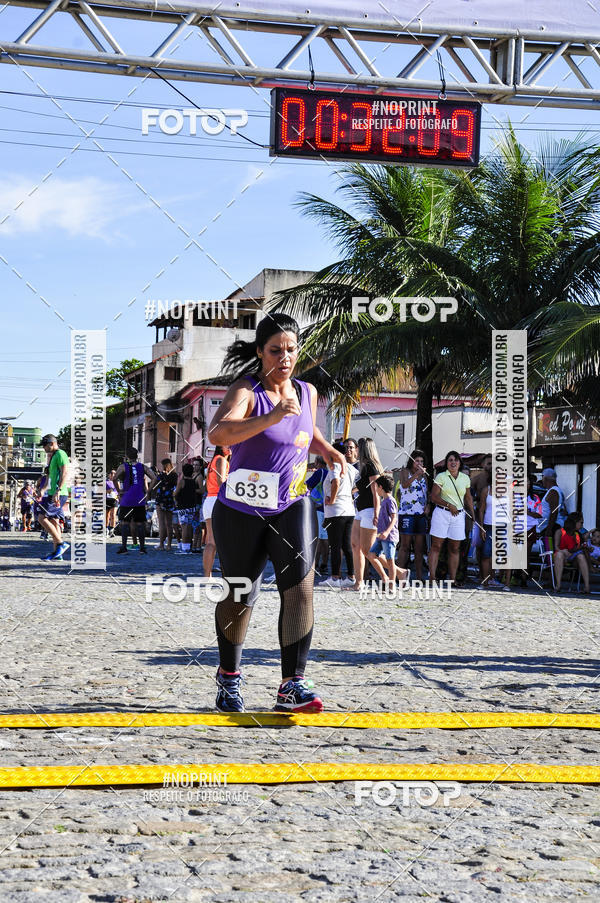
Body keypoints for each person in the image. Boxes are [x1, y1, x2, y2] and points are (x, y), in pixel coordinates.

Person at [208, 312, 345, 713]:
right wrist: (269, 416)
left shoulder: (307, 392)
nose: (284, 357)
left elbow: (304, 431)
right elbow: (218, 434)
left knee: (301, 588)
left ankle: (293, 683)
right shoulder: (247, 391)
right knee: (241, 594)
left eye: (290, 349)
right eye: (275, 350)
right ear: (259, 352)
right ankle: (229, 678)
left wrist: (329, 450)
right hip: (240, 509)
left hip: (291, 503)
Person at [428, 451, 475, 585]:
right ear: (446, 463)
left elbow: (468, 498)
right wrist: (449, 505)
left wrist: (472, 514)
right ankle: (432, 577)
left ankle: (453, 579)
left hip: (459, 516)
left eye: (455, 460)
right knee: (436, 546)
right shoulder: (441, 476)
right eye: (450, 460)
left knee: (455, 548)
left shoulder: (465, 479)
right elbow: (434, 496)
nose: (453, 462)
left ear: (460, 463)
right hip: (442, 514)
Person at [322, 442, 357, 588]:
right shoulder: (350, 468)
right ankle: (351, 576)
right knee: (347, 545)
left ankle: (335, 577)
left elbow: (335, 482)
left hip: (336, 511)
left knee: (335, 545)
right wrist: (347, 494)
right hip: (349, 510)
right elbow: (357, 486)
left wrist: (333, 498)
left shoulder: (335, 466)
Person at [351, 437, 383, 589]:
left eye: (357, 447)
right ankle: (359, 582)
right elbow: (361, 487)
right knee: (355, 545)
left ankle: (398, 573)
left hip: (370, 510)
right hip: (360, 510)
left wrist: (377, 513)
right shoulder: (363, 467)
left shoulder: (371, 467)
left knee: (368, 550)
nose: (355, 450)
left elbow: (376, 493)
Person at [367, 474, 408, 588]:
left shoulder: (390, 500)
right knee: (371, 555)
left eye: (376, 487)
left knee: (390, 561)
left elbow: (394, 517)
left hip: (389, 537)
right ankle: (393, 576)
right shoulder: (384, 501)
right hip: (381, 536)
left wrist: (386, 532)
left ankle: (392, 586)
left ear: (380, 487)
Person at [395, 449, 429, 581]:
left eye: (422, 461)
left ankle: (419, 577)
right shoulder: (405, 471)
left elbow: (426, 493)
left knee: (419, 548)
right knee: (405, 546)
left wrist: (428, 505)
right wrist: (416, 474)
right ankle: (398, 575)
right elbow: (404, 485)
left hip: (420, 515)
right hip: (407, 514)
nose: (419, 463)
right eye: (417, 461)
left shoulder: (424, 476)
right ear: (412, 461)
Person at [114, 447, 155, 554]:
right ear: (137, 456)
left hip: (127, 498)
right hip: (139, 498)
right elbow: (154, 478)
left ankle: (124, 547)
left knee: (125, 523)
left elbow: (114, 478)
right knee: (140, 523)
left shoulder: (123, 466)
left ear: (127, 456)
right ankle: (142, 548)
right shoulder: (143, 467)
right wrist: (148, 491)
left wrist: (119, 491)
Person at [37, 434, 71, 561]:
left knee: (41, 518)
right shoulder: (52, 457)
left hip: (59, 494)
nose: (44, 449)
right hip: (52, 493)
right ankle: (58, 553)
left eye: (45, 446)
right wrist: (42, 490)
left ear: (51, 443)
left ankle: (61, 544)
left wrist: (57, 490)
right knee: (53, 521)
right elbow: (50, 478)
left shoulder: (61, 454)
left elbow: (65, 472)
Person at [477, 473, 510, 590]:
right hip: (489, 525)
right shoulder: (486, 490)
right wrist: (481, 527)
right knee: (486, 554)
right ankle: (486, 582)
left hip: (504, 526)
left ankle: (507, 584)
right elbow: (481, 509)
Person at [202, 446, 231, 577]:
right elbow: (221, 482)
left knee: (211, 541)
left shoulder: (213, 461)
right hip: (219, 499)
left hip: (209, 500)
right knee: (225, 541)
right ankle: (226, 574)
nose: (230, 447)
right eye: (228, 445)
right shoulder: (222, 460)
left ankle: (207, 576)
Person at [554, 513, 590, 593]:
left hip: (573, 557)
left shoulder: (577, 534)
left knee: (581, 556)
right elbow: (556, 547)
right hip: (561, 555)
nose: (582, 525)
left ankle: (587, 587)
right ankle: (558, 585)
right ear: (575, 522)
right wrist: (562, 551)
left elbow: (577, 548)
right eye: (581, 522)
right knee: (559, 555)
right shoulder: (560, 532)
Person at [306, 456, 329, 574]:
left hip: (319, 508)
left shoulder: (319, 472)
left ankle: (315, 565)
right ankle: (324, 565)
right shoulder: (329, 472)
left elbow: (308, 485)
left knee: (319, 538)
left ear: (317, 462)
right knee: (325, 538)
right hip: (328, 508)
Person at [174, 462, 202, 554]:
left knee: (184, 527)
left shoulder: (182, 482)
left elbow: (176, 493)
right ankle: (188, 546)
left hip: (183, 507)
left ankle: (184, 548)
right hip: (192, 506)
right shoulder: (193, 482)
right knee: (189, 526)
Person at [537, 468, 568, 541]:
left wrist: (549, 529)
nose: (542, 480)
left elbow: (554, 512)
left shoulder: (553, 491)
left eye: (543, 477)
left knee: (549, 550)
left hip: (551, 527)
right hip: (549, 526)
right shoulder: (554, 490)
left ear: (546, 478)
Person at [154, 458, 177, 551]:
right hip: (169, 500)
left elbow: (155, 481)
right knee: (169, 524)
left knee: (161, 523)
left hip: (161, 499)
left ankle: (161, 544)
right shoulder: (175, 475)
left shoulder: (162, 475)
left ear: (164, 465)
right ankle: (169, 545)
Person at [105, 470, 119, 536]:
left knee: (113, 515)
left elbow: (119, 491)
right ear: (109, 475)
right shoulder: (105, 482)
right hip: (107, 500)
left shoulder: (117, 482)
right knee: (107, 515)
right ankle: (106, 529)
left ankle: (112, 530)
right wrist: (107, 491)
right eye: (112, 473)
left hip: (115, 500)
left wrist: (118, 497)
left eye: (114, 473)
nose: (113, 474)